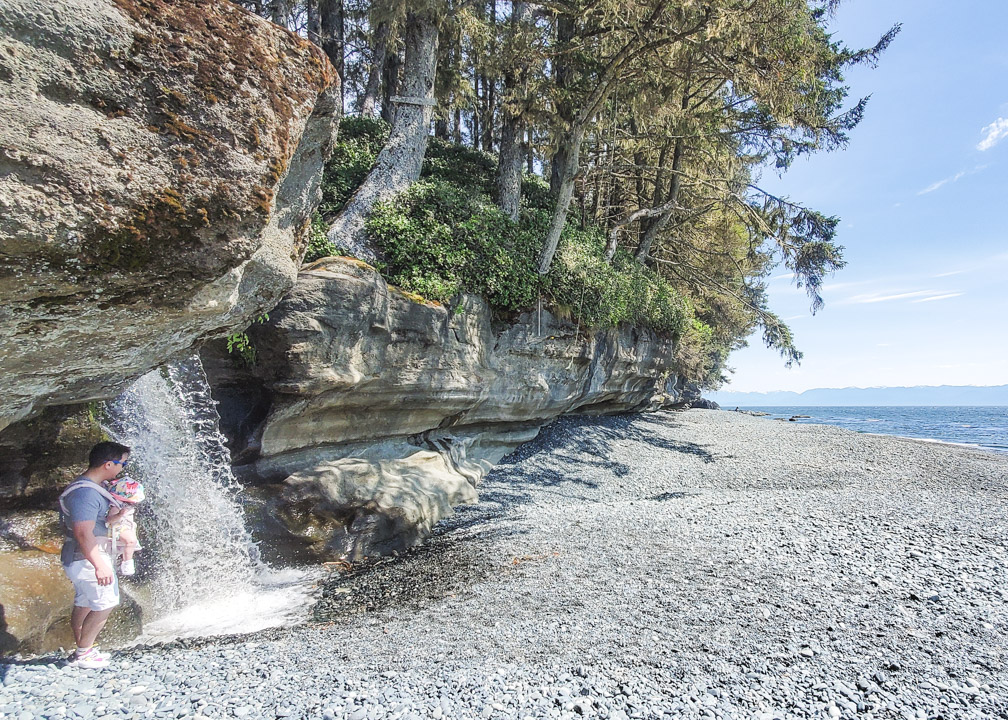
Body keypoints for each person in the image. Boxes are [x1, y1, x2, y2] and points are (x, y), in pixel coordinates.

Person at [58, 441, 131, 669]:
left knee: (85, 602)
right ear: (108, 464)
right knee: (105, 603)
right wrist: (99, 564)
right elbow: (82, 532)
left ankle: (82, 649)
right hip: (87, 558)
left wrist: (114, 518)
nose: (122, 469)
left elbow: (93, 524)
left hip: (81, 557)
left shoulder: (89, 489)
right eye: (122, 463)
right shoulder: (85, 493)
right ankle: (83, 654)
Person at [105, 476, 145, 576]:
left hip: (123, 526)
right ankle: (127, 563)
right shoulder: (116, 505)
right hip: (117, 527)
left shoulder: (123, 503)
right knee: (131, 541)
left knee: (130, 542)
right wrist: (119, 515)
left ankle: (124, 562)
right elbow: (109, 519)